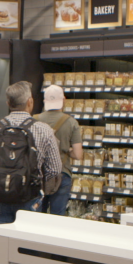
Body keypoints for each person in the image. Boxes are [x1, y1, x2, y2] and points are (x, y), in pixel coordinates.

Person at [0, 81, 61, 225]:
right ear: (30, 101)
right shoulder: (43, 129)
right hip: (29, 198)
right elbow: (55, 169)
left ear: (8, 102)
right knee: (26, 244)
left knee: (0, 244)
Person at [35, 85, 82, 216]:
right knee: (57, 218)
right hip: (62, 174)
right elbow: (78, 154)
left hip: (39, 174)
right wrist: (65, 150)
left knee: (37, 217)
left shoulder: (34, 120)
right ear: (64, 100)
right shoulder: (71, 122)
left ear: (45, 101)